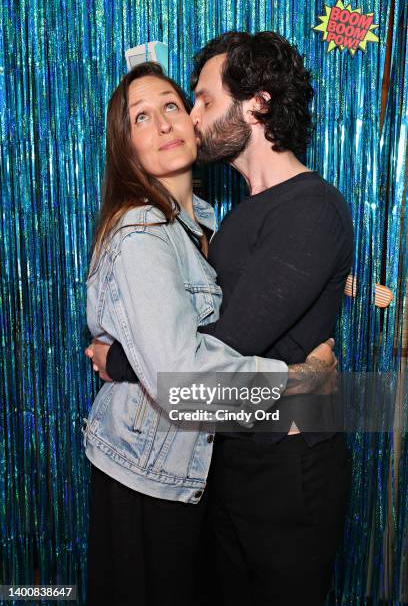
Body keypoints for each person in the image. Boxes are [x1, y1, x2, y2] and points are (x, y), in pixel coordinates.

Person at [88, 32, 354, 605]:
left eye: (202, 101)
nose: (190, 118)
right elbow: (190, 346)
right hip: (227, 460)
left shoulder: (311, 208)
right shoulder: (226, 221)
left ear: (256, 104)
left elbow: (222, 344)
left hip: (287, 470)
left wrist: (122, 359)